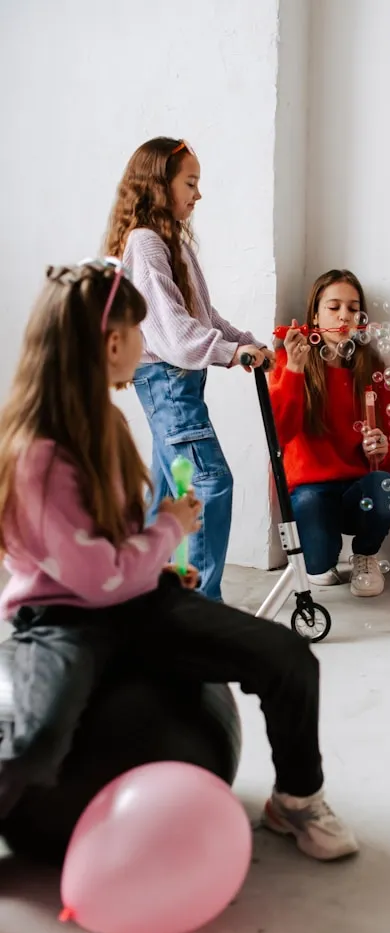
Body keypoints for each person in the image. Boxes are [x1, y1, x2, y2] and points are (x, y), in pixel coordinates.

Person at [0, 261, 357, 862]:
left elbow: (114, 546)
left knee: (288, 657)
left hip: (132, 600)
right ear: (113, 344)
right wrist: (169, 529)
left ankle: (296, 798)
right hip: (64, 617)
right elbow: (94, 574)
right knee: (36, 741)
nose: (147, 345)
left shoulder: (104, 424)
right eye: (140, 332)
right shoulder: (38, 452)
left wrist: (161, 566)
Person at [104, 137, 274, 602]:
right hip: (167, 381)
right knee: (209, 483)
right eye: (190, 183)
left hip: (178, 382)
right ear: (159, 184)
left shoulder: (172, 242)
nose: (197, 195)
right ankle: (200, 604)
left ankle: (138, 588)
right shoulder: (145, 242)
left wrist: (244, 344)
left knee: (164, 491)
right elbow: (173, 333)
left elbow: (203, 318)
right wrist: (227, 353)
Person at [269, 269, 390, 597]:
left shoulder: (370, 368)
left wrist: (383, 451)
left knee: (388, 489)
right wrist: (294, 371)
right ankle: (321, 556)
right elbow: (280, 434)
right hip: (309, 493)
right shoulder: (289, 360)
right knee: (318, 570)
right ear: (314, 314)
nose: (344, 315)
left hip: (357, 490)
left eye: (353, 307)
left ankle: (366, 555)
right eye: (333, 307)